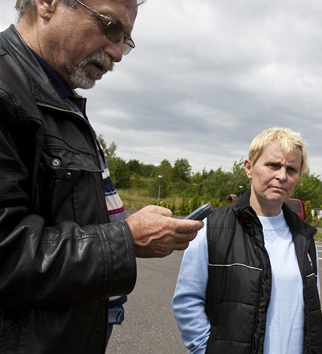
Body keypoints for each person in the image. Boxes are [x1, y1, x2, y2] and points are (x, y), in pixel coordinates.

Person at [0, 0, 203, 352]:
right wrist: (126, 238)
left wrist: (125, 224)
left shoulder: (58, 99)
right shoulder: (8, 92)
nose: (118, 52)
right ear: (47, 4)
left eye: (125, 39)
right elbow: (8, 253)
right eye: (110, 27)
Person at [173, 127, 322, 354]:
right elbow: (187, 301)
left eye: (291, 169)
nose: (282, 176)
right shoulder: (212, 229)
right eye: (273, 165)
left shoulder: (304, 237)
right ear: (249, 167)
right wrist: (206, 350)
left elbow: (311, 310)